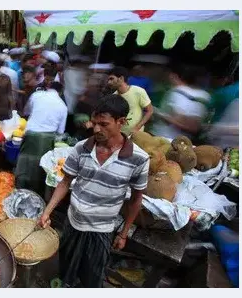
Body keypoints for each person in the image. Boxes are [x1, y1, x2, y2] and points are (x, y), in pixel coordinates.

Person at [38, 95, 149, 288]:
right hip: (73, 223)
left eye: (104, 124)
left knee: (92, 275)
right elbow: (65, 182)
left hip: (101, 230)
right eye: (94, 123)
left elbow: (136, 200)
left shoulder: (138, 158)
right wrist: (47, 211)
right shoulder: (81, 148)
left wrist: (123, 234)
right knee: (66, 267)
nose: (96, 129)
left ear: (121, 122)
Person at [15, 86, 67, 196]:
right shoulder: (63, 106)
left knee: (25, 164)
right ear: (60, 93)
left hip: (31, 135)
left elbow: (26, 111)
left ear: (48, 89)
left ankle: (19, 189)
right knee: (40, 167)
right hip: (47, 139)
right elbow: (60, 131)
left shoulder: (37, 95)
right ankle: (37, 194)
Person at [150, 64, 211, 143]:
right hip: (184, 142)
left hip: (164, 138)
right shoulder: (206, 96)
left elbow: (180, 121)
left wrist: (156, 112)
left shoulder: (177, 92)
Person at [108, 66, 154, 136]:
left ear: (121, 78)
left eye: (111, 79)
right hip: (119, 135)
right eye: (108, 80)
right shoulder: (113, 96)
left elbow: (150, 111)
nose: (109, 82)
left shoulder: (138, 91)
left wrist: (137, 128)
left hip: (135, 135)